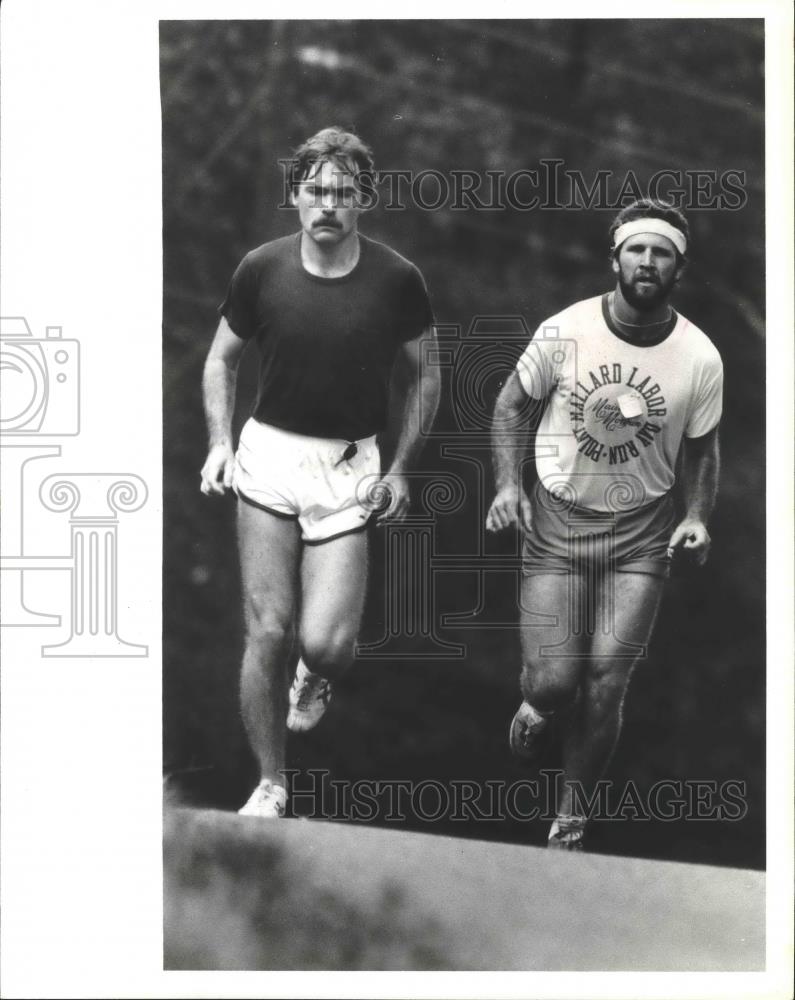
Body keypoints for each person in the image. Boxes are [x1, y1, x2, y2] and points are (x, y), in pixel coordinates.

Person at [200, 127, 439, 818]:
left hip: (348, 467)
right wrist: (220, 442)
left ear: (362, 199)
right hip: (270, 457)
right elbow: (220, 360)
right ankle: (271, 783)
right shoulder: (261, 269)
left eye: (342, 192)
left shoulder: (397, 279)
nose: (328, 204)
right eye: (315, 191)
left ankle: (315, 677)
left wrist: (400, 469)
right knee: (266, 629)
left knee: (326, 645)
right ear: (295, 197)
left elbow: (426, 376)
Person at [486, 199, 722, 850]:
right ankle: (536, 704)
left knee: (607, 678)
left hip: (641, 531)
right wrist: (508, 485)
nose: (647, 262)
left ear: (678, 267)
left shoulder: (698, 357)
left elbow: (701, 446)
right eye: (637, 249)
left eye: (661, 252)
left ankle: (569, 819)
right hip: (558, 520)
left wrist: (697, 516)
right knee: (556, 681)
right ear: (614, 257)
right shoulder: (565, 330)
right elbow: (510, 404)